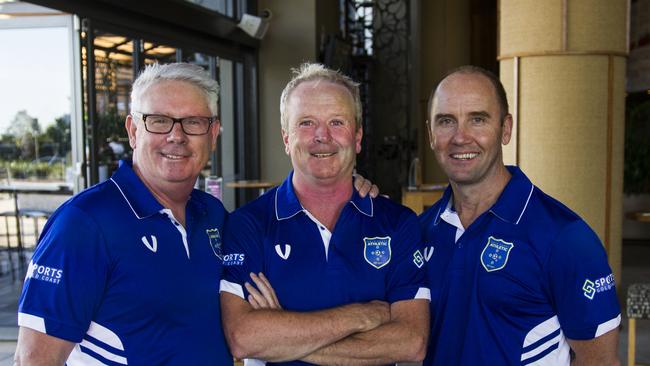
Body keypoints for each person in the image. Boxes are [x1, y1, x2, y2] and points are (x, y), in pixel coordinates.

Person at [14, 63, 233, 365]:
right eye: (159, 121)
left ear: (213, 133)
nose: (176, 136)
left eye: (193, 122)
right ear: (133, 130)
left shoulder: (213, 214)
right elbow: (33, 360)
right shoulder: (84, 224)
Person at [219, 63, 430, 365]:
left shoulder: (398, 223)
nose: (322, 136)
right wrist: (364, 315)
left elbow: (411, 342)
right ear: (286, 138)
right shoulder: (248, 224)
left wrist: (283, 335)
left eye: (337, 122)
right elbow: (243, 338)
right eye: (306, 123)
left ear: (357, 137)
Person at [420, 65, 621, 365]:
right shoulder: (422, 231)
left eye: (478, 119)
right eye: (446, 121)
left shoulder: (566, 239)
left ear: (506, 129)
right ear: (431, 134)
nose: (461, 137)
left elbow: (600, 362)